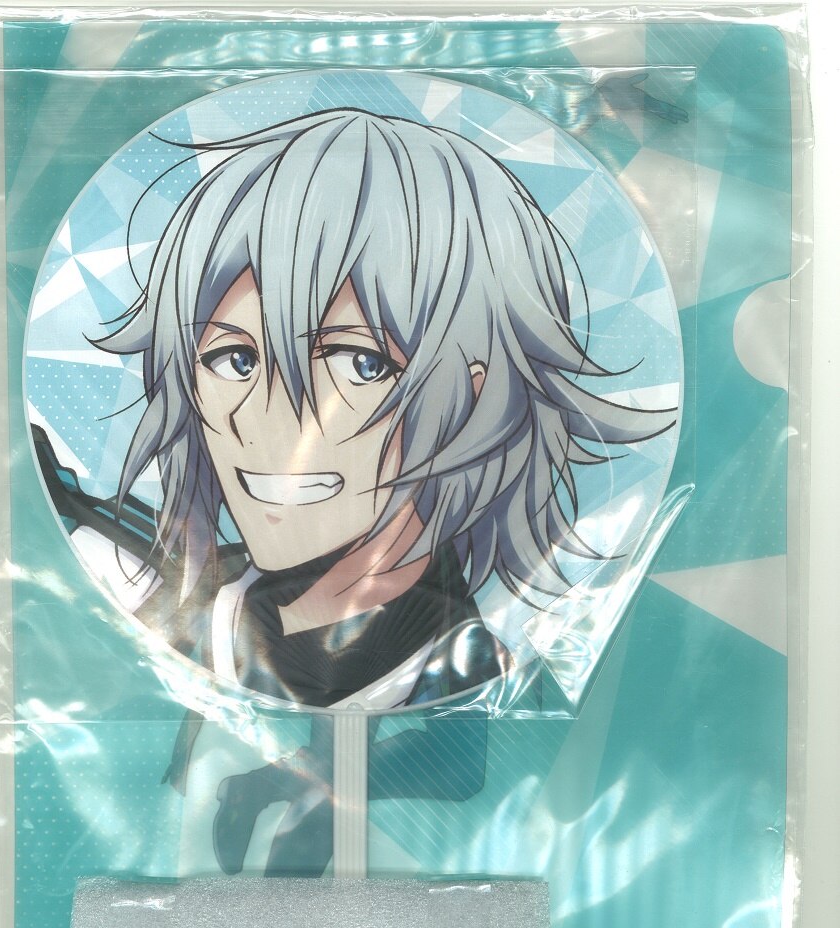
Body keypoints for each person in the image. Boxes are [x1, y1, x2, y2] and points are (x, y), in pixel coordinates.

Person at [40, 106, 674, 873]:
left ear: (471, 391)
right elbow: (116, 550)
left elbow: (460, 765)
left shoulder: (451, 648)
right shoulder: (209, 603)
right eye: (235, 359)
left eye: (360, 363)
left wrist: (310, 780)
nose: (274, 421)